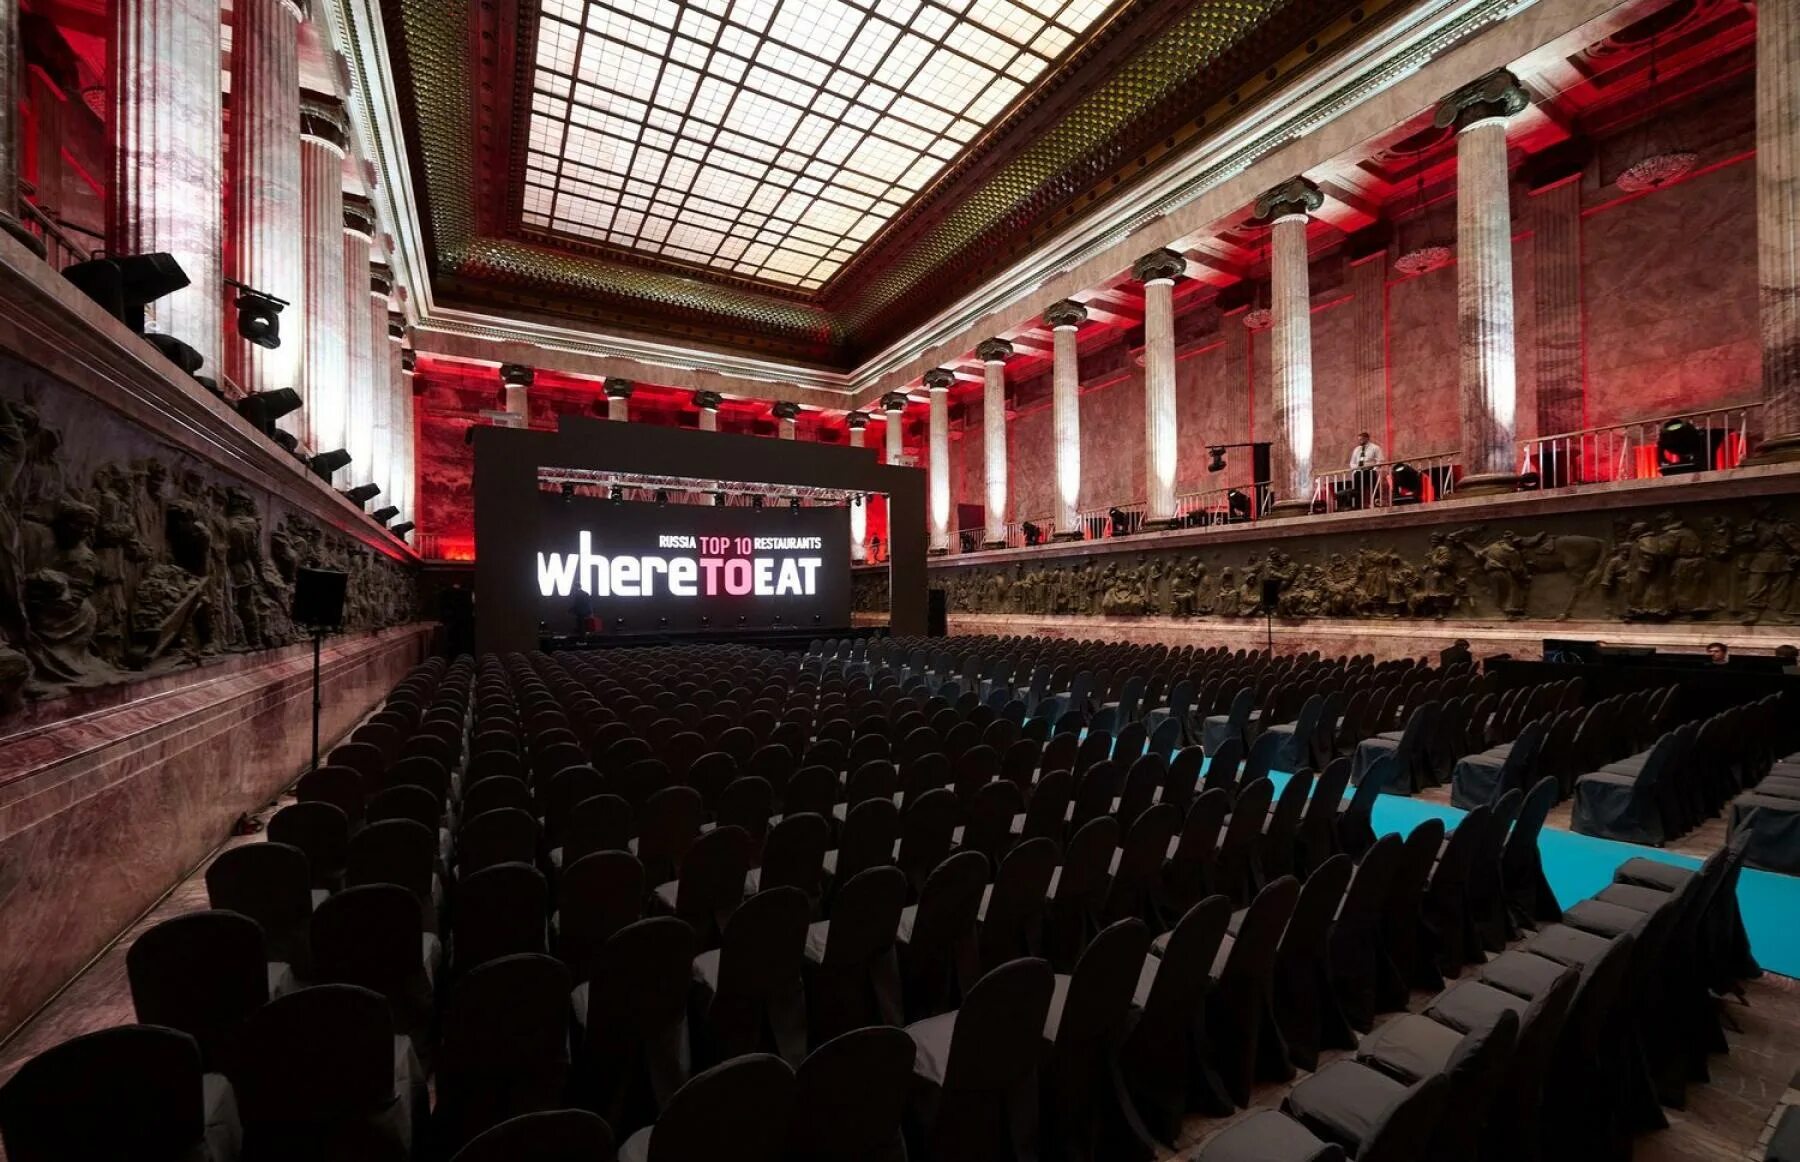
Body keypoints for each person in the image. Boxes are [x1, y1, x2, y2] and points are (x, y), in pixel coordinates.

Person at [1348, 432, 1383, 507]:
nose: (1360, 441)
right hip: (1358, 472)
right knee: (1357, 490)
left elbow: (1380, 460)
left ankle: (1376, 503)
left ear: (1367, 438)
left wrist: (1374, 469)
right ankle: (1358, 505)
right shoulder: (1356, 449)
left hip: (1369, 471)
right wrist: (1355, 469)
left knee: (1373, 488)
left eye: (1362, 439)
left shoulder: (1375, 447)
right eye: (1359, 439)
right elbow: (1352, 462)